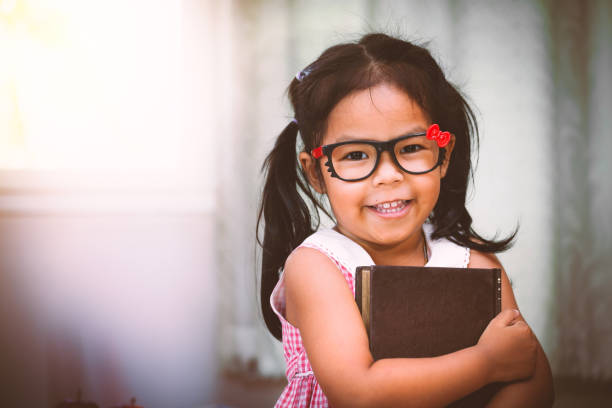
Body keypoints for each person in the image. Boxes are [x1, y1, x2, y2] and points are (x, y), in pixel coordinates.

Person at [257, 33, 554, 407]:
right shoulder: (317, 267)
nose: (388, 175)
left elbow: (534, 381)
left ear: (443, 155)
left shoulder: (470, 263)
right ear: (316, 172)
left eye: (411, 148)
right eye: (355, 155)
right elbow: (358, 394)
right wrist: (485, 364)